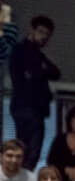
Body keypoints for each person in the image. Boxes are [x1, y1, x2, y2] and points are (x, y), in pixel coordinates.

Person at [7, 15, 58, 165]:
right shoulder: (21, 50)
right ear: (32, 30)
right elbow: (28, 76)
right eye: (41, 32)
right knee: (28, 152)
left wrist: (39, 70)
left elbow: (56, 73)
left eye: (47, 34)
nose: (44, 37)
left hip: (34, 108)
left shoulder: (38, 55)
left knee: (31, 152)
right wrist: (40, 70)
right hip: (26, 106)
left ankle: (23, 177)